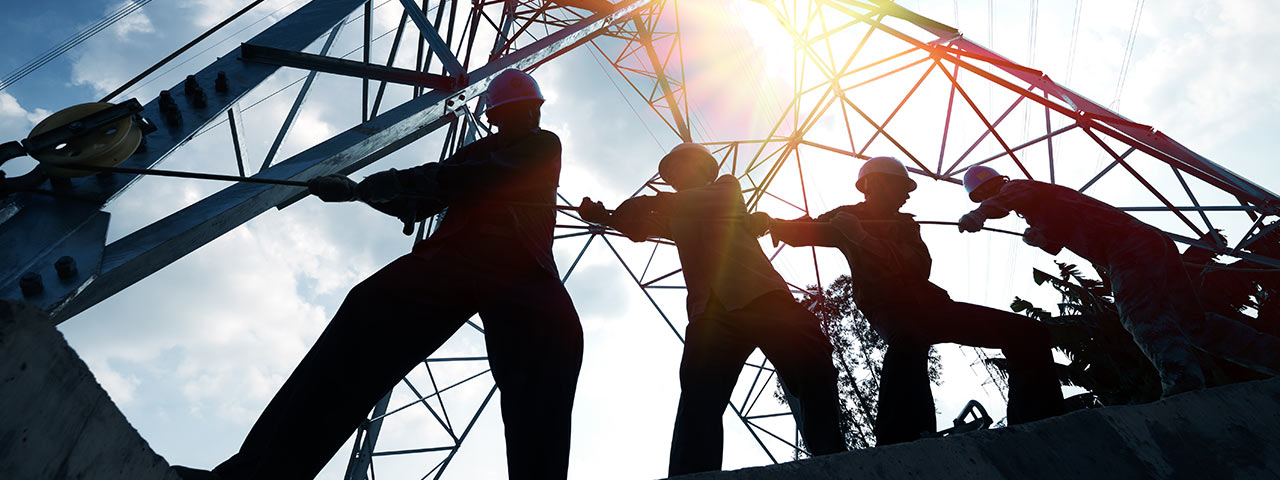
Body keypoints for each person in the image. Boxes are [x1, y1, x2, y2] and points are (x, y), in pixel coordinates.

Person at [173, 69, 584, 480]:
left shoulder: (542, 145)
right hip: (463, 258)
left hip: (519, 268)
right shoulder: (479, 151)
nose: (528, 118)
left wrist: (390, 182)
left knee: (549, 359)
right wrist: (359, 191)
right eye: (519, 111)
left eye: (530, 110)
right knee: (367, 312)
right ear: (495, 117)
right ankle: (257, 474)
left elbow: (478, 177)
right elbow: (422, 198)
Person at [577, 142, 847, 475]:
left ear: (704, 168)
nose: (673, 178)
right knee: (699, 397)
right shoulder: (676, 212)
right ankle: (692, 474)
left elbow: (703, 204)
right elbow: (641, 228)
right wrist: (604, 216)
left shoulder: (725, 188)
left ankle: (834, 458)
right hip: (712, 314)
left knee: (812, 363)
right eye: (670, 175)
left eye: (678, 169)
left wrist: (651, 202)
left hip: (762, 296)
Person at [768, 157, 1065, 445]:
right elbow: (804, 230)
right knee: (908, 340)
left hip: (931, 304)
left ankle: (1039, 424)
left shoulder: (905, 225)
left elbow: (919, 267)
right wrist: (772, 224)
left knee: (1029, 333)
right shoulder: (845, 217)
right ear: (872, 184)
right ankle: (901, 439)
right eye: (901, 189)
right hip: (888, 306)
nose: (906, 198)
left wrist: (861, 238)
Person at [959, 166, 1280, 395]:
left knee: (1138, 315)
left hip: (1127, 249)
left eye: (985, 194)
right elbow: (1055, 241)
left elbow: (1004, 199)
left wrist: (979, 216)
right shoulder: (1038, 206)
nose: (987, 199)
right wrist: (1037, 237)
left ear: (994, 186)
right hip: (1152, 244)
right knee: (1193, 323)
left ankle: (1183, 381)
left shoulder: (1018, 188)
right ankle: (1272, 356)